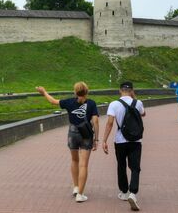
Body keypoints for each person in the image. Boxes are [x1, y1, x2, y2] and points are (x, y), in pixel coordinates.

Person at [36, 82, 99, 203]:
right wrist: (96, 139)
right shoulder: (91, 103)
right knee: (84, 165)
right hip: (86, 135)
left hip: (73, 134)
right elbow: (95, 121)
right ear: (87, 91)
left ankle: (76, 187)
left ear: (75, 92)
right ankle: (80, 194)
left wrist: (44, 92)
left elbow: (53, 101)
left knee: (74, 160)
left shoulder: (69, 102)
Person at [102, 81, 146, 211]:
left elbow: (110, 123)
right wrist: (135, 99)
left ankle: (124, 192)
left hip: (120, 141)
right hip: (136, 141)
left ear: (120, 90)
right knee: (135, 167)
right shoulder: (138, 103)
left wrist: (104, 140)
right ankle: (133, 193)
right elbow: (143, 114)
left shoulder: (114, 104)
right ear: (132, 90)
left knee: (121, 166)